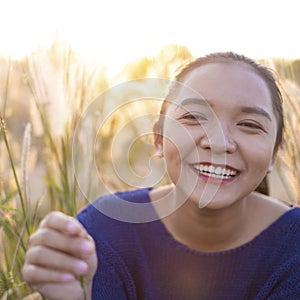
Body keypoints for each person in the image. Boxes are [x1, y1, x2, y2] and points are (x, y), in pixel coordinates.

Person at [22, 52, 300, 300]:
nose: (218, 142)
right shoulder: (101, 235)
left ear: (275, 154)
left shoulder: (294, 249)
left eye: (249, 124)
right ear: (158, 138)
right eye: (193, 116)